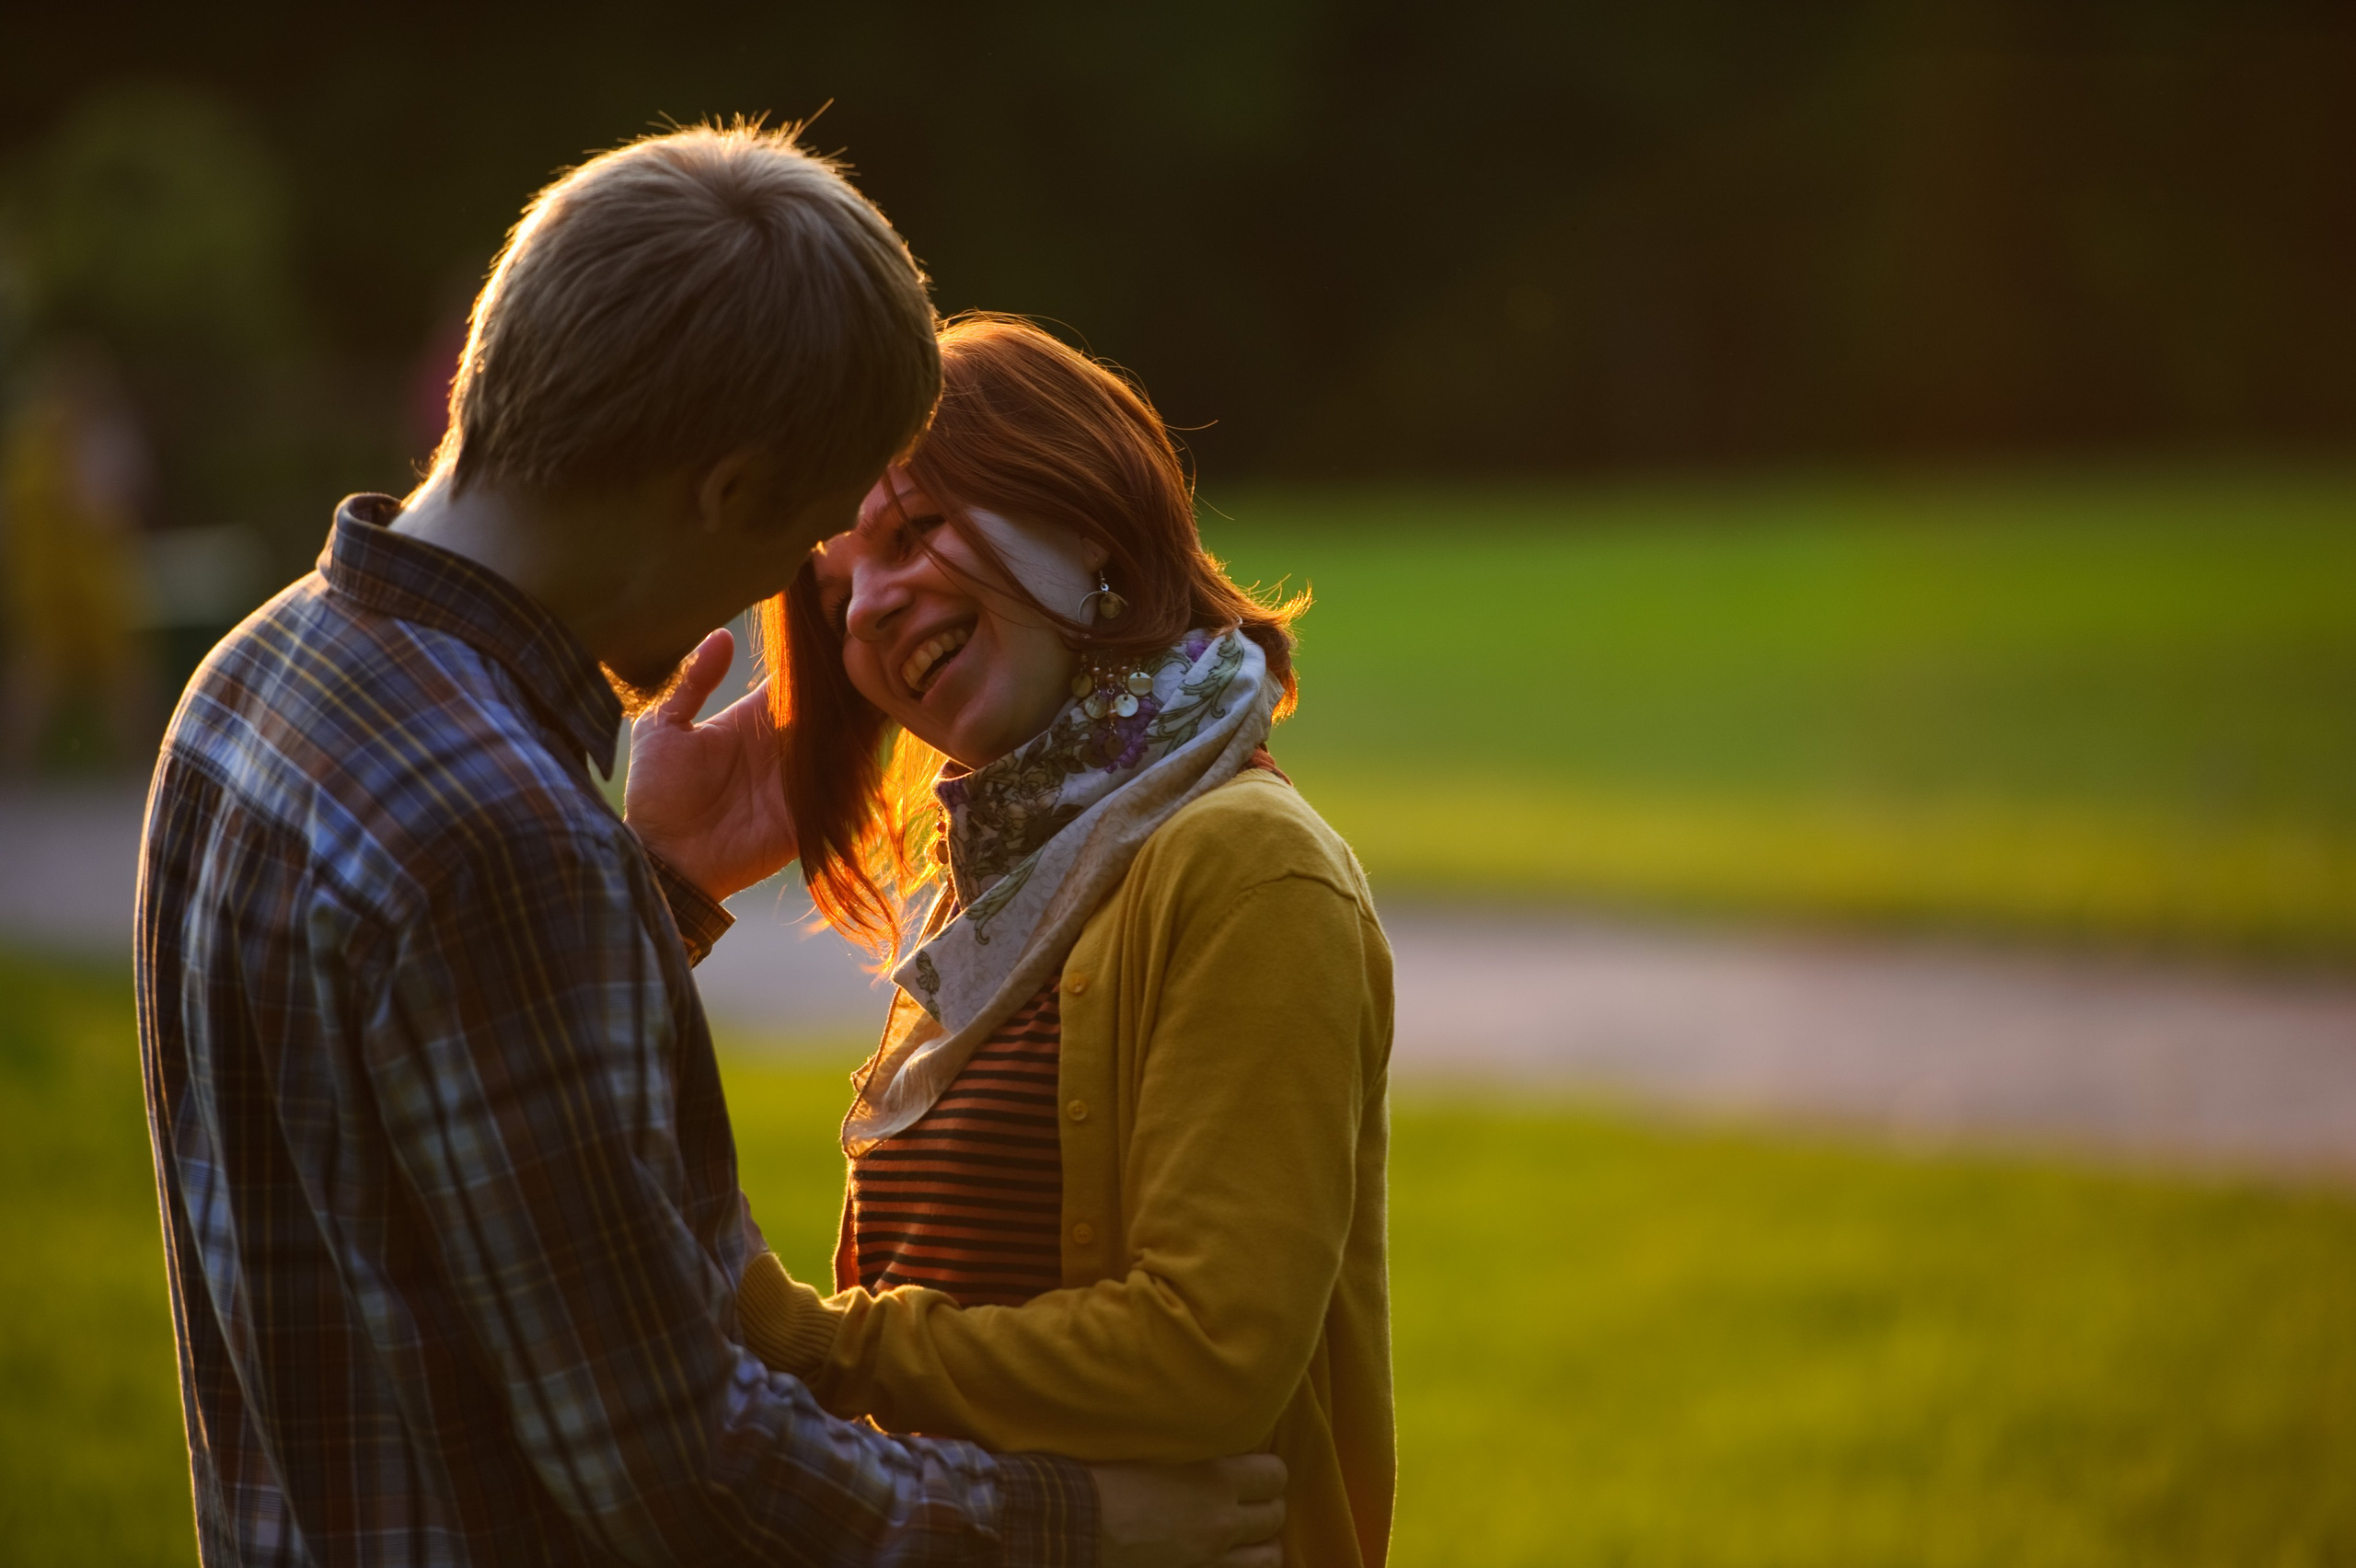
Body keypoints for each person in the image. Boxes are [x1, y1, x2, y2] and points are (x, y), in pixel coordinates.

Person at [136, 125, 1283, 1567]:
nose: (793, 606)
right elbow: (679, 1471)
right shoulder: (504, 839)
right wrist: (1081, 1521)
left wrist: (655, 886)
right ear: (729, 492)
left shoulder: (251, 682)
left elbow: (413, 1175)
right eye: (811, 538)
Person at [629, 316, 1395, 1567]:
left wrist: (824, 1345)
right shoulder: (987, 886)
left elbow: (1207, 1360)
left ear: (1085, 511)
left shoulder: (1248, 870)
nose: (868, 611)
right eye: (833, 600)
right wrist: (668, 887)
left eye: (912, 531)